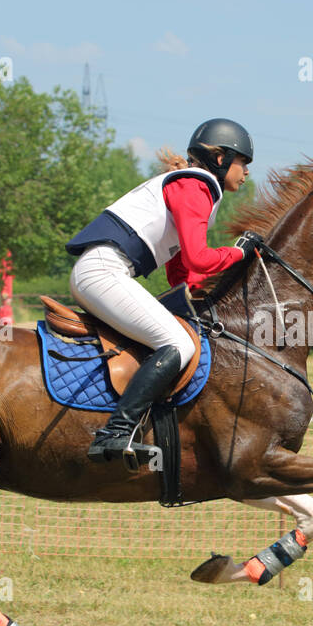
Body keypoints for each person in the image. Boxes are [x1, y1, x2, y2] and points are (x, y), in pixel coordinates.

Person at [65, 118, 261, 464]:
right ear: (220, 159)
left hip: (105, 271)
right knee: (178, 344)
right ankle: (116, 432)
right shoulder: (195, 188)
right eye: (243, 162)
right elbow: (200, 258)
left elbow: (182, 272)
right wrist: (239, 252)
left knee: (179, 335)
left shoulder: (193, 189)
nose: (245, 173)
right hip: (103, 271)